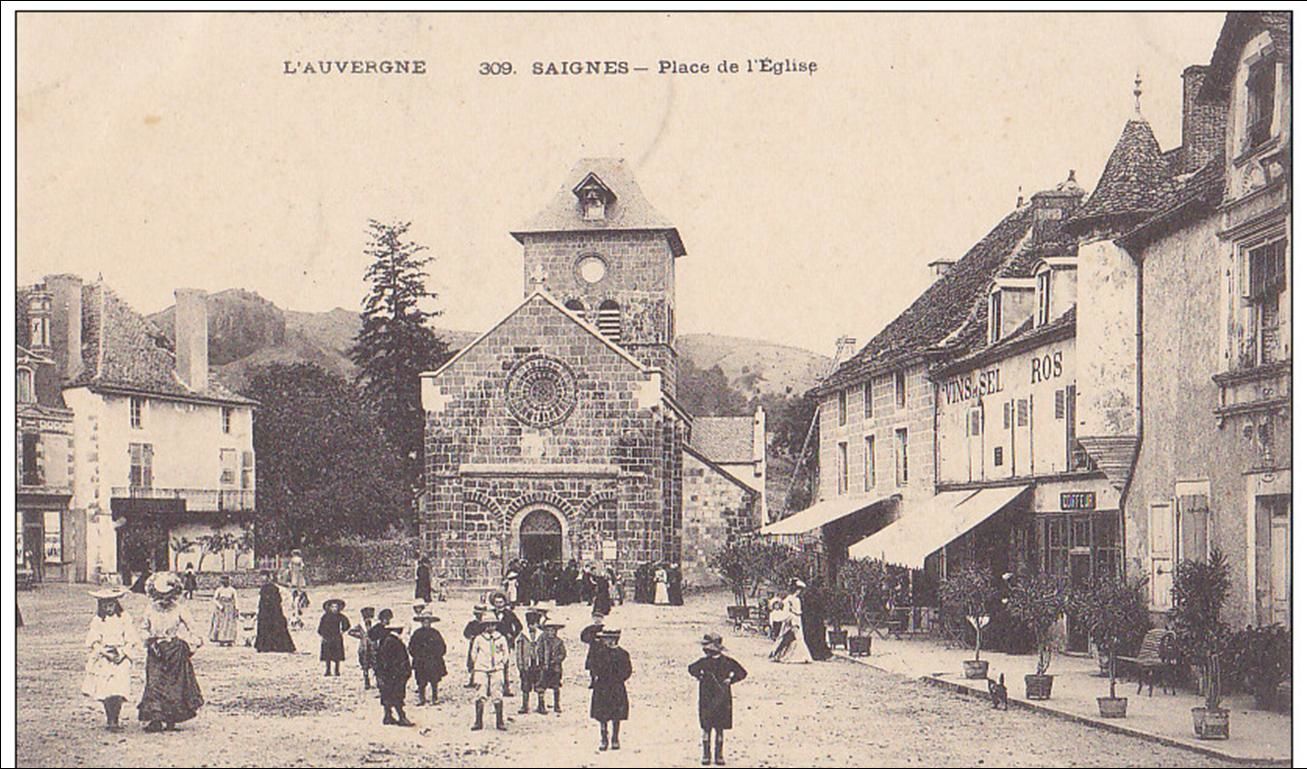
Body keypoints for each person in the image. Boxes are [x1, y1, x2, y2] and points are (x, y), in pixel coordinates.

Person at [138, 573, 204, 732]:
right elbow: (143, 629)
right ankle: (155, 719)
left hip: (175, 651)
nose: (164, 600)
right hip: (156, 651)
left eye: (168, 595)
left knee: (174, 685)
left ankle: (171, 720)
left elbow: (194, 630)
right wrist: (150, 641)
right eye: (160, 596)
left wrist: (190, 646)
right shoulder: (150, 609)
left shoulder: (180, 609)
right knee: (154, 683)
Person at [83, 586, 140, 730]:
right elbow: (94, 641)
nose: (109, 609)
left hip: (120, 654)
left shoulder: (124, 618)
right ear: (100, 606)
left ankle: (116, 717)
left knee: (118, 688)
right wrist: (104, 652)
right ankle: (110, 719)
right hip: (104, 656)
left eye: (111, 605)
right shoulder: (98, 621)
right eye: (105, 606)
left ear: (116, 604)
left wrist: (122, 653)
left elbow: (131, 638)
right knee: (106, 689)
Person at [689, 632, 748, 766]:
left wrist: (700, 676)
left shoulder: (703, 662)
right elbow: (742, 673)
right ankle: (719, 756)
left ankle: (706, 756)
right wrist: (730, 680)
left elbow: (691, 669)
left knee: (707, 728)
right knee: (719, 728)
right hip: (723, 697)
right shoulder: (728, 661)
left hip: (706, 698)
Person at [588, 628, 631, 751]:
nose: (605, 641)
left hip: (617, 687)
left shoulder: (623, 654)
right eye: (604, 639)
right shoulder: (599, 653)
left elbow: (627, 670)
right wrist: (599, 676)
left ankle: (615, 738)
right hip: (602, 686)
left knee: (616, 714)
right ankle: (603, 738)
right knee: (602, 715)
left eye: (608, 639)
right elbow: (594, 666)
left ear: (614, 640)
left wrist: (618, 678)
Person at [469, 618, 511, 731]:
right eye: (488, 625)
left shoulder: (501, 638)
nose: (490, 628)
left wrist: (501, 662)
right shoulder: (479, 639)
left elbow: (506, 652)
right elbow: (473, 653)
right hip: (481, 669)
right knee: (480, 693)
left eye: (493, 625)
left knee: (497, 693)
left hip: (497, 669)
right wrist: (479, 664)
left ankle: (499, 721)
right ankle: (478, 721)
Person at [375, 618, 415, 726]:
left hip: (386, 674)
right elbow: (395, 660)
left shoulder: (386, 640)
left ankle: (388, 716)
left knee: (387, 695)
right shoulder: (394, 641)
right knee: (397, 695)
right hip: (394, 674)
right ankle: (401, 717)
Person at [769, 580, 813, 664]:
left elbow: (799, 611)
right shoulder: (788, 600)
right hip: (791, 619)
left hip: (797, 618)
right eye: (798, 590)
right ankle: (785, 655)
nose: (799, 592)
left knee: (799, 637)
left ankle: (802, 656)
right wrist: (790, 621)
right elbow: (786, 612)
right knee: (790, 637)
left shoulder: (798, 599)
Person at [408, 613, 446, 705]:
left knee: (434, 680)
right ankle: (422, 699)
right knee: (421, 681)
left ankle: (434, 698)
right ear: (421, 622)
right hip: (421, 661)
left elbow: (442, 646)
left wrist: (436, 655)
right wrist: (417, 656)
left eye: (428, 621)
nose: (426, 623)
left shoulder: (435, 633)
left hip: (433, 661)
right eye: (424, 621)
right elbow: (411, 646)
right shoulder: (417, 633)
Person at [254, 571, 295, 653]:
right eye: (261, 577)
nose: (262, 579)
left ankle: (279, 646)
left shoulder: (274, 588)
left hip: (274, 611)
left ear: (269, 577)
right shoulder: (263, 589)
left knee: (277, 626)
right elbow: (261, 601)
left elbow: (278, 600)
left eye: (264, 577)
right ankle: (264, 646)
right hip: (264, 612)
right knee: (264, 627)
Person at [514, 609, 544, 714]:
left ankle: (541, 705)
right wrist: (520, 665)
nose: (532, 626)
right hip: (527, 664)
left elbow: (545, 650)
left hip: (538, 664)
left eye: (534, 624)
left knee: (540, 684)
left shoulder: (542, 636)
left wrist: (544, 663)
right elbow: (519, 652)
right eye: (530, 624)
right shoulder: (522, 636)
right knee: (525, 685)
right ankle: (525, 705)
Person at [533, 620, 567, 714]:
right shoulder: (542, 641)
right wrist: (541, 662)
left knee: (556, 686)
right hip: (543, 667)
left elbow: (563, 654)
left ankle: (557, 705)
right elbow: (538, 652)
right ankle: (541, 705)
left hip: (555, 668)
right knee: (541, 686)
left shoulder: (559, 642)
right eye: (549, 630)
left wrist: (556, 660)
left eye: (553, 630)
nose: (551, 632)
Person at [318, 598, 351, 677]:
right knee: (327, 655)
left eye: (336, 607)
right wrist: (323, 635)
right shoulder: (325, 617)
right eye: (332, 607)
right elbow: (320, 628)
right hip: (327, 637)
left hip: (337, 637)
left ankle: (337, 670)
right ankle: (328, 670)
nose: (334, 609)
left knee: (337, 655)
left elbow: (347, 624)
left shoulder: (340, 616)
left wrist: (342, 631)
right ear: (329, 608)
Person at [801, 583, 833, 661]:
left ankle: (813, 653)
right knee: (818, 636)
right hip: (816, 620)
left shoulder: (807, 596)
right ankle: (819, 654)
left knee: (812, 636)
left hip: (809, 620)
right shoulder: (819, 596)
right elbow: (822, 608)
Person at [348, 606, 378, 689]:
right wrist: (360, 636)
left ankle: (377, 681)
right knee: (365, 665)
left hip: (373, 647)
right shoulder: (360, 626)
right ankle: (366, 682)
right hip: (364, 648)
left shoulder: (375, 625)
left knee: (376, 664)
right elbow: (350, 632)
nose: (367, 619)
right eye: (366, 617)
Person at [462, 605, 489, 689]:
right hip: (473, 645)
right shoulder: (472, 624)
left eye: (481, 614)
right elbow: (466, 633)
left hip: (483, 645)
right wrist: (471, 637)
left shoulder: (486, 624)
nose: (479, 616)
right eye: (478, 614)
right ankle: (472, 680)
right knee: (472, 661)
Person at [209, 575, 239, 646]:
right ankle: (221, 639)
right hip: (221, 610)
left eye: (227, 581)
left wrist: (236, 609)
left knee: (230, 624)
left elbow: (235, 600)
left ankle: (229, 639)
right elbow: (214, 599)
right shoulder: (219, 590)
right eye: (224, 581)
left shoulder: (232, 590)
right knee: (221, 624)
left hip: (230, 609)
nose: (226, 582)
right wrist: (220, 606)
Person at [286, 549, 307, 628]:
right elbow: (302, 567)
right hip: (298, 574)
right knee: (299, 586)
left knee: (294, 584)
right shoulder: (299, 560)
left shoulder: (292, 560)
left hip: (294, 575)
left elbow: (290, 568)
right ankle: (298, 599)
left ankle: (295, 597)